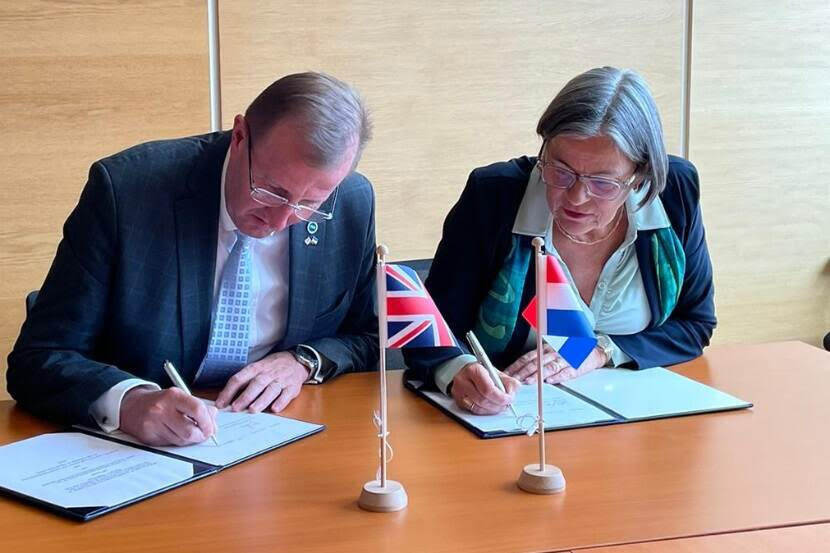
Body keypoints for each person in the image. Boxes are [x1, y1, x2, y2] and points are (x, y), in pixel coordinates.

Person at [7, 72, 378, 445]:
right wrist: (129, 402)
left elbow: (369, 334)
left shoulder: (350, 204)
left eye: (309, 204)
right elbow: (39, 357)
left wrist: (303, 362)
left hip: (281, 437)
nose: (281, 221)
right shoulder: (126, 192)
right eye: (270, 191)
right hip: (138, 450)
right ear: (239, 137)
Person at [404, 66, 716, 416]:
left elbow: (695, 325)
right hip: (512, 417)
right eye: (560, 171)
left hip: (638, 419)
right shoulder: (494, 197)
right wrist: (456, 370)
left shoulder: (675, 193)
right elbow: (429, 332)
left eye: (602, 182)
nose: (577, 197)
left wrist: (600, 352)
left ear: (640, 175)